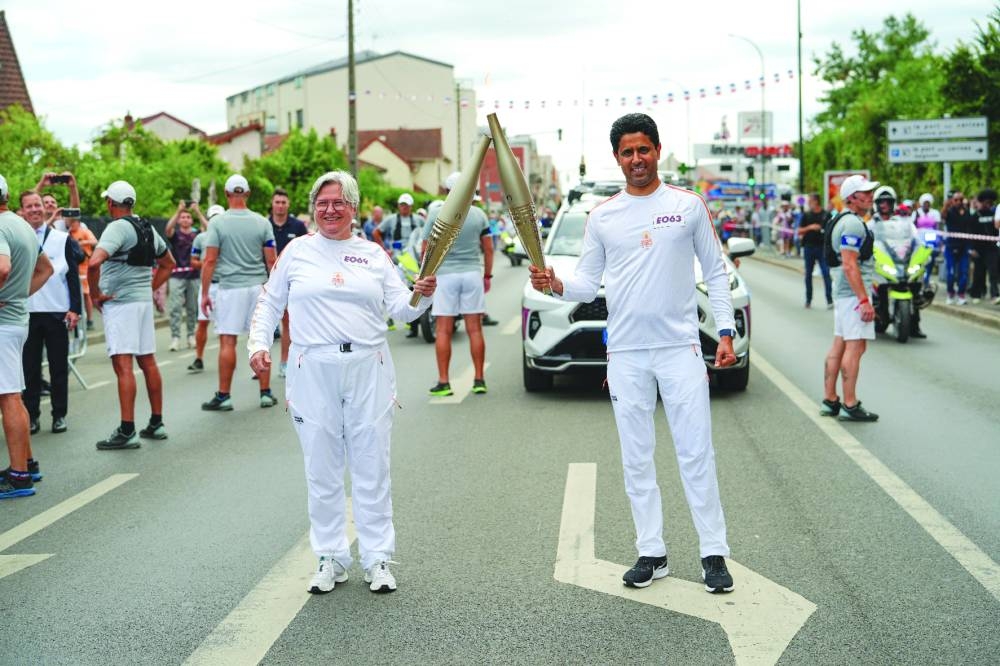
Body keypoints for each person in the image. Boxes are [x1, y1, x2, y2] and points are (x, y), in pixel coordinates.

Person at [529, 113, 737, 594]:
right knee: (636, 457)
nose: (637, 159)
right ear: (618, 157)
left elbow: (716, 270)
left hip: (679, 348)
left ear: (658, 150)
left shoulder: (688, 206)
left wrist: (724, 330)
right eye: (628, 152)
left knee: (696, 453)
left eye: (644, 149)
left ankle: (713, 553)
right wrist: (557, 284)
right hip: (626, 353)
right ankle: (652, 551)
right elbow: (585, 283)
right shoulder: (603, 216)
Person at [248, 170, 436, 594]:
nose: (330, 210)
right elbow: (269, 302)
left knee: (372, 465)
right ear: (313, 207)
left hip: (367, 366)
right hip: (311, 366)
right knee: (322, 467)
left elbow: (403, 310)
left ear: (353, 207)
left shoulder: (372, 254)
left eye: (339, 203)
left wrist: (423, 293)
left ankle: (378, 558)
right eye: (322, 203)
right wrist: (257, 345)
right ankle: (331, 557)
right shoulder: (296, 252)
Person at [87, 180, 175, 449]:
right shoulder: (146, 227)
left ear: (111, 203)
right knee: (147, 361)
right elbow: (168, 263)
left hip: (120, 304)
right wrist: (148, 289)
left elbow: (93, 262)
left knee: (123, 365)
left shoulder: (116, 228)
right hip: (142, 304)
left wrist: (94, 295)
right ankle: (156, 423)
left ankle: (127, 430)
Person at [199, 175, 277, 410]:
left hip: (230, 288)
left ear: (226, 194)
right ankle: (265, 393)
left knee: (227, 341)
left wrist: (204, 293)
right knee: (261, 339)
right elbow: (271, 259)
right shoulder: (262, 222)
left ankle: (224, 396)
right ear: (248, 194)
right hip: (257, 286)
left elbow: (210, 260)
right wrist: (274, 291)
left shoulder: (217, 223)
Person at [0, 174, 55, 499]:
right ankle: (27, 463)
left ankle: (20, 475)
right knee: (12, 394)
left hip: (3, 324)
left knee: (9, 396)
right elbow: (45, 268)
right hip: (16, 319)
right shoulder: (20, 224)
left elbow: (3, 268)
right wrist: (21, 295)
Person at [18, 190, 83, 435]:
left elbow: (73, 275)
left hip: (56, 312)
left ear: (44, 209)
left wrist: (75, 308)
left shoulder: (61, 238)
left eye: (37, 205)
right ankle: (32, 416)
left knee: (58, 368)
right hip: (28, 312)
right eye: (29, 206)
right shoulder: (17, 238)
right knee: (30, 369)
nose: (34, 210)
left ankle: (59, 415)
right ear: (22, 211)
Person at [423, 174, 494, 396]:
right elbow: (489, 248)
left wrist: (425, 276)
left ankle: (444, 382)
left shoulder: (436, 213)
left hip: (444, 276)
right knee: (475, 328)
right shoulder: (479, 215)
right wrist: (488, 276)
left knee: (443, 329)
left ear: (447, 191)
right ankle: (479, 379)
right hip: (472, 273)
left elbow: (425, 248)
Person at [820, 174, 880, 423]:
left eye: (870, 192)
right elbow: (849, 264)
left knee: (840, 345)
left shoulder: (839, 219)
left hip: (843, 294)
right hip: (852, 295)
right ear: (852, 198)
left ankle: (830, 399)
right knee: (855, 347)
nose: (870, 197)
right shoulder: (853, 224)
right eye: (865, 193)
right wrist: (864, 300)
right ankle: (850, 403)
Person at [269, 187, 309, 377]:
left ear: (288, 204)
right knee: (264, 324)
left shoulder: (298, 226)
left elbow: (307, 251)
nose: (280, 206)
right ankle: (260, 360)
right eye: (277, 202)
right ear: (272, 204)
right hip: (267, 281)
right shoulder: (265, 225)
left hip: (291, 282)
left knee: (288, 322)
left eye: (283, 202)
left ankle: (284, 361)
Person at [187, 204, 225, 372]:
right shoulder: (201, 238)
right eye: (212, 218)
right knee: (202, 322)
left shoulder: (228, 237)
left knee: (226, 327)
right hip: (207, 286)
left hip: (225, 285)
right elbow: (193, 260)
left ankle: (226, 359)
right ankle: (199, 358)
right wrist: (206, 263)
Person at [164, 200, 201, 351]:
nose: (185, 219)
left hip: (193, 275)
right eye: (183, 217)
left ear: (191, 220)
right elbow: (168, 229)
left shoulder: (197, 234)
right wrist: (179, 210)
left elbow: (209, 229)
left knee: (192, 308)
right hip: (176, 276)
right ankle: (175, 337)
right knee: (175, 307)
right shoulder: (176, 234)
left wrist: (197, 211)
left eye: (188, 217)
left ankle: (191, 336)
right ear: (179, 220)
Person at [798, 193, 834, 309]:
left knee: (826, 273)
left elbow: (830, 231)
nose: (808, 202)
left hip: (822, 248)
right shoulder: (806, 215)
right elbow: (799, 231)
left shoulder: (826, 215)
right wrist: (810, 227)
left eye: (810, 200)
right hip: (809, 247)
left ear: (816, 201)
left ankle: (829, 299)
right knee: (808, 274)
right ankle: (808, 299)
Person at [942, 191, 975, 305]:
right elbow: (943, 216)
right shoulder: (949, 212)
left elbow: (970, 229)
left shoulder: (966, 213)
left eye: (960, 200)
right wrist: (946, 205)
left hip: (964, 247)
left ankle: (961, 294)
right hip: (951, 246)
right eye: (956, 200)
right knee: (951, 273)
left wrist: (970, 247)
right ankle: (950, 293)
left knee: (964, 273)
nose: (958, 202)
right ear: (952, 201)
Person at [67, 211, 97, 328]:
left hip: (85, 268)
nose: (71, 224)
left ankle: (90, 320)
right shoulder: (68, 233)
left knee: (86, 294)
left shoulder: (84, 231)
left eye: (73, 221)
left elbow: (95, 241)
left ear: (77, 222)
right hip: (73, 268)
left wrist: (83, 242)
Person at [968, 188, 999, 304]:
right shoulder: (975, 216)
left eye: (991, 203)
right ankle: (976, 294)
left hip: (991, 248)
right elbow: (970, 233)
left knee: (993, 272)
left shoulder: (993, 214)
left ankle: (994, 294)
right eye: (987, 202)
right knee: (978, 272)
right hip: (978, 249)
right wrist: (972, 248)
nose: (989, 205)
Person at [913, 193, 941, 289]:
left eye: (928, 203)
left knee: (930, 261)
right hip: (920, 241)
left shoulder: (935, 213)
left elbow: (937, 227)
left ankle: (926, 279)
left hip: (931, 241)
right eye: (925, 203)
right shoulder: (916, 213)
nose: (926, 205)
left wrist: (939, 241)